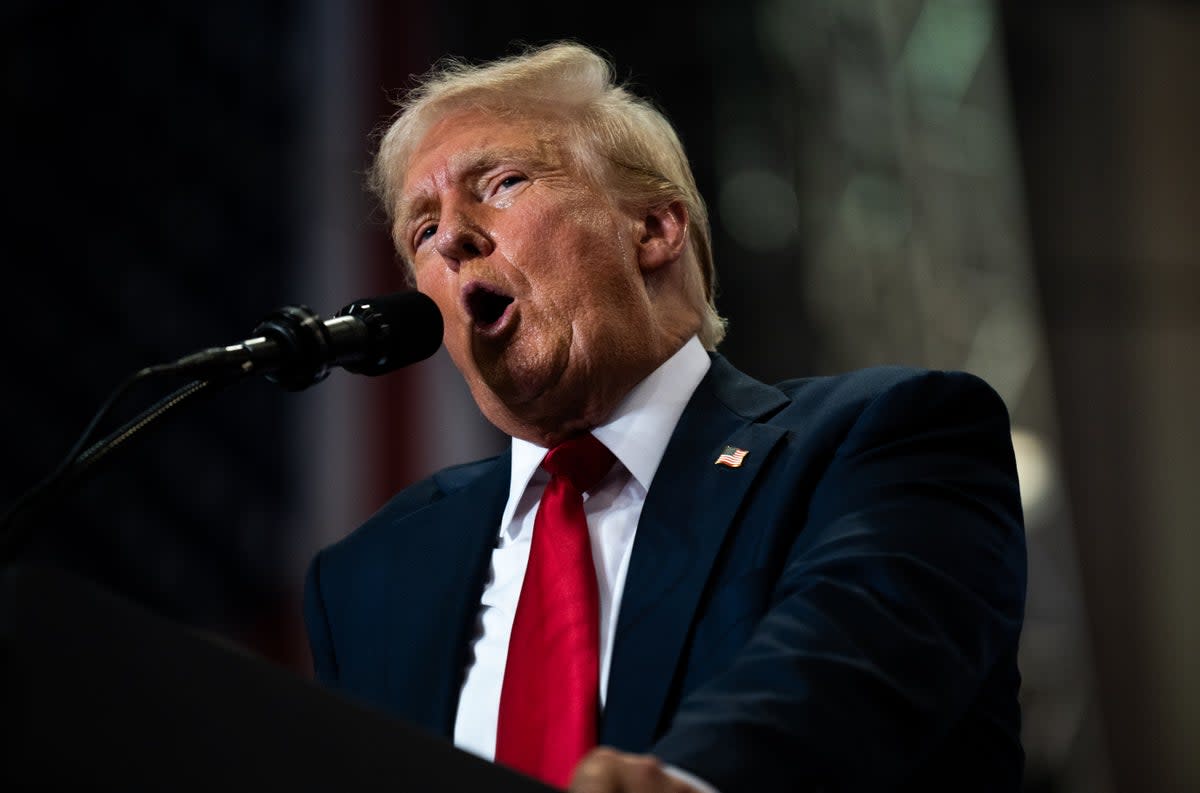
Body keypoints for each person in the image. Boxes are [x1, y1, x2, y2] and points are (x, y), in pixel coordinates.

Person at [303, 42, 1027, 793]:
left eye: (505, 183)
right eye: (421, 230)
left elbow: (850, 660)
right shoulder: (370, 574)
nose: (452, 238)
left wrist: (686, 777)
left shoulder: (882, 438)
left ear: (654, 229)